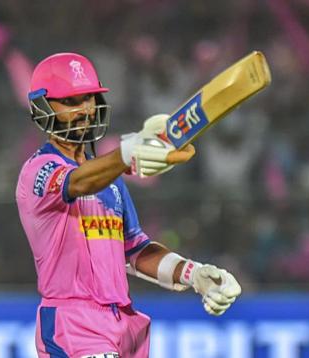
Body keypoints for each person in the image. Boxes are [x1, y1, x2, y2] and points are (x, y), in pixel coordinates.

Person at [15, 52, 242, 358]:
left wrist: (193, 273)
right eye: (70, 102)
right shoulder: (38, 171)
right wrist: (127, 154)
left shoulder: (111, 179)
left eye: (90, 98)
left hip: (123, 325)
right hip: (73, 325)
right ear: (42, 107)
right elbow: (78, 182)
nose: (84, 110)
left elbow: (134, 250)